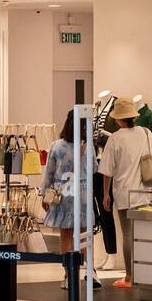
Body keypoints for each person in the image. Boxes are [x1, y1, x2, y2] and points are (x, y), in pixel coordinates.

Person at [98, 97, 152, 289]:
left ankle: (130, 276)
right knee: (142, 234)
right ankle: (147, 273)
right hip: (145, 191)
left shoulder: (116, 138)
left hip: (124, 192)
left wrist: (106, 194)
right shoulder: (147, 133)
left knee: (127, 235)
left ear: (118, 119)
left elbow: (107, 170)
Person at [41, 110, 102, 291]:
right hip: (82, 193)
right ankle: (90, 272)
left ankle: (68, 275)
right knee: (85, 235)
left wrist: (44, 194)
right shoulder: (87, 146)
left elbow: (49, 173)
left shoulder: (57, 146)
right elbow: (93, 169)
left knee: (66, 235)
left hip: (64, 193)